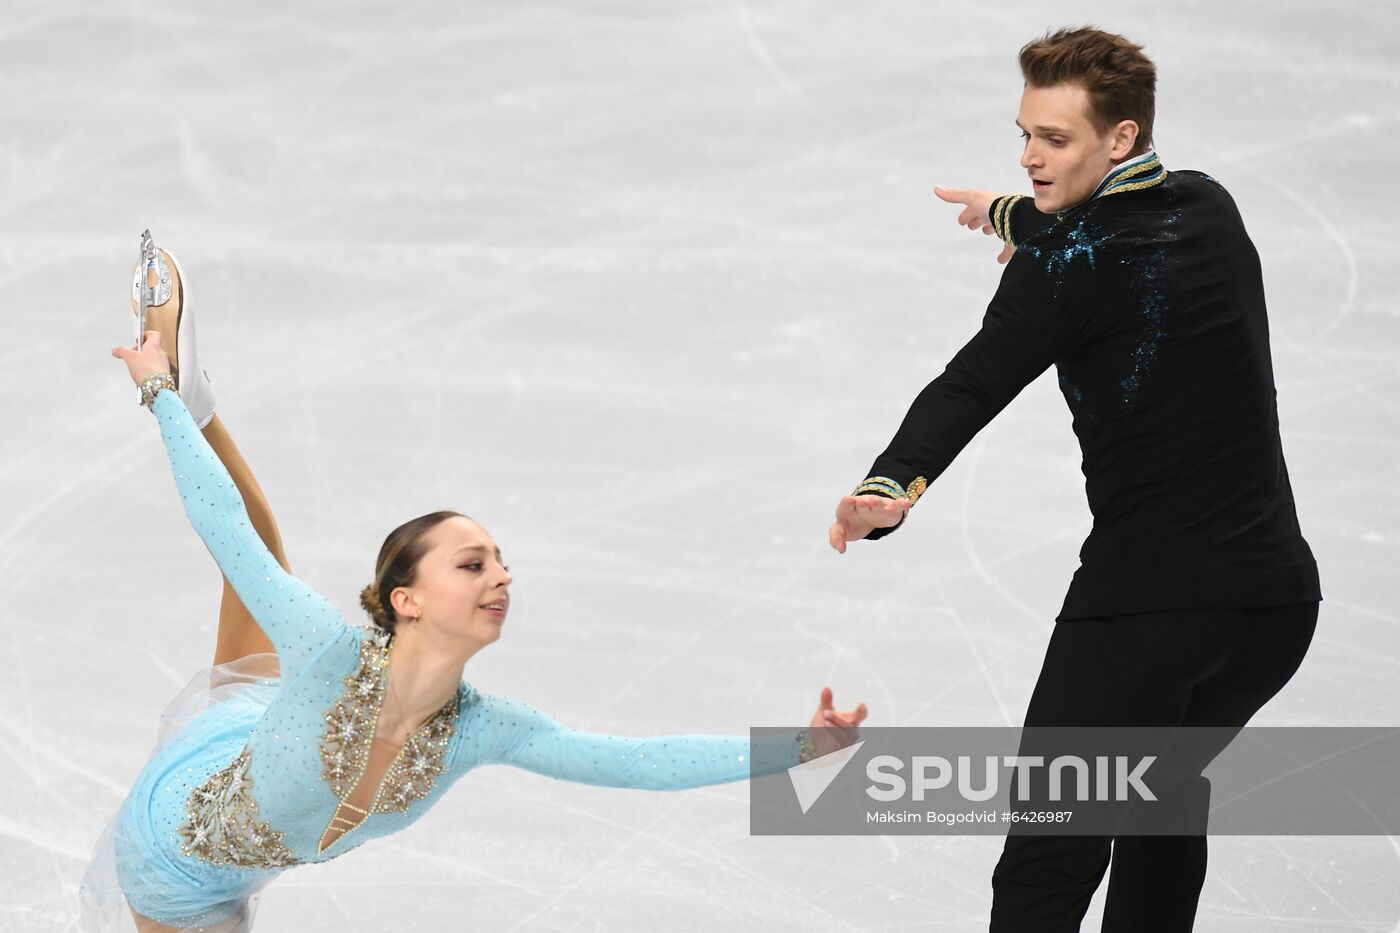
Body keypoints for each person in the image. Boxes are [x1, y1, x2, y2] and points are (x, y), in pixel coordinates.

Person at [83, 233, 868, 932]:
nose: (501, 576)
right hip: (176, 860)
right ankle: (183, 391)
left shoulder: (483, 728)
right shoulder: (326, 650)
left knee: (258, 557)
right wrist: (153, 394)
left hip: (248, 736)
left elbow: (641, 760)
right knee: (255, 555)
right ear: (405, 598)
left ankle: (201, 399)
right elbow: (223, 523)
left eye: (498, 560)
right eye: (472, 563)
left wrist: (802, 747)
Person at [826, 26, 1321, 933]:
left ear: (1120, 137)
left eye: (1053, 141)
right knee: (1160, 801)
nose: (1028, 155)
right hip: (1273, 608)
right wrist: (1015, 212)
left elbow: (971, 382)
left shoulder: (1062, 265)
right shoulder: (1210, 205)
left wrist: (893, 485)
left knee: (1046, 865)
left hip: (1146, 612)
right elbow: (1114, 224)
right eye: (1024, 134)